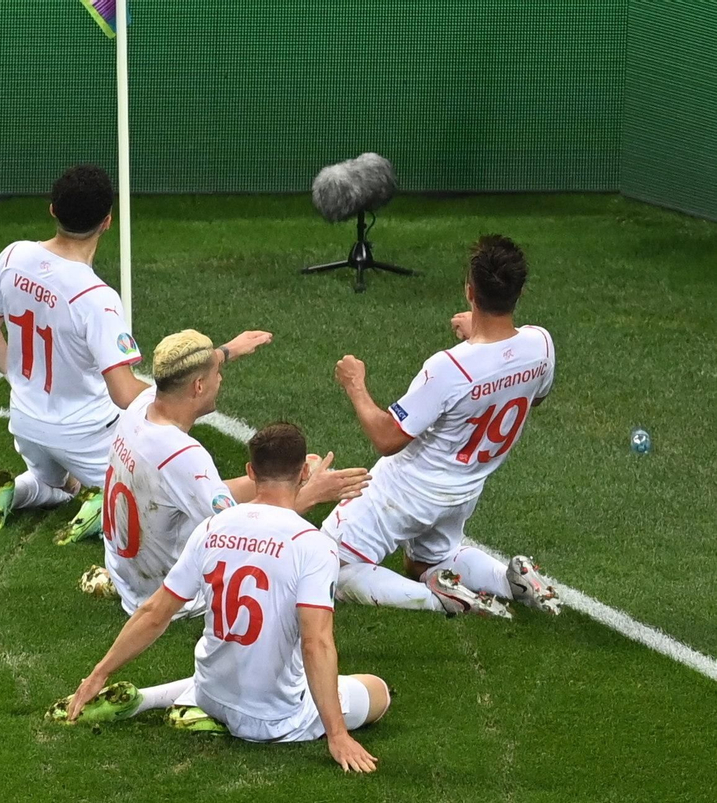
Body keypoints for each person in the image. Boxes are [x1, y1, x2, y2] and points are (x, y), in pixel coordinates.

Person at [54, 423, 389, 774]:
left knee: (234, 661)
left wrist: (99, 673)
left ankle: (150, 700)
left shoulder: (212, 527)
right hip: (273, 718)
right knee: (377, 692)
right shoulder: (314, 545)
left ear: (250, 471)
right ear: (305, 472)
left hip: (211, 694)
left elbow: (155, 613)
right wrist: (337, 734)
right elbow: (315, 643)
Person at [321, 235, 561, 617]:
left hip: (407, 489)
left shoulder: (449, 368)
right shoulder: (541, 345)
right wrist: (480, 340)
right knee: (425, 563)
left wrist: (355, 385)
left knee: (324, 566)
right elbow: (533, 393)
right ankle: (510, 581)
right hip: (464, 489)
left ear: (470, 291)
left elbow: (386, 438)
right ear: (520, 292)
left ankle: (442, 600)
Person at [83, 328, 369, 614]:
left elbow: (202, 487)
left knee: (220, 493)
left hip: (126, 573)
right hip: (166, 595)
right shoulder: (183, 456)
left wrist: (227, 351)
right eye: (216, 374)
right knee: (301, 563)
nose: (220, 379)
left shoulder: (141, 405)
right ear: (198, 386)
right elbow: (244, 538)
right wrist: (312, 494)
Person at [0, 163, 147, 545]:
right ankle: (104, 506)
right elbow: (124, 393)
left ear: (52, 209)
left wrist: (22, 381)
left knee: (54, 484)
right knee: (150, 500)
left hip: (26, 424)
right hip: (85, 435)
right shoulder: (97, 298)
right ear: (107, 222)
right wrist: (172, 393)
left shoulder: (13, 256)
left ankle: (14, 492)